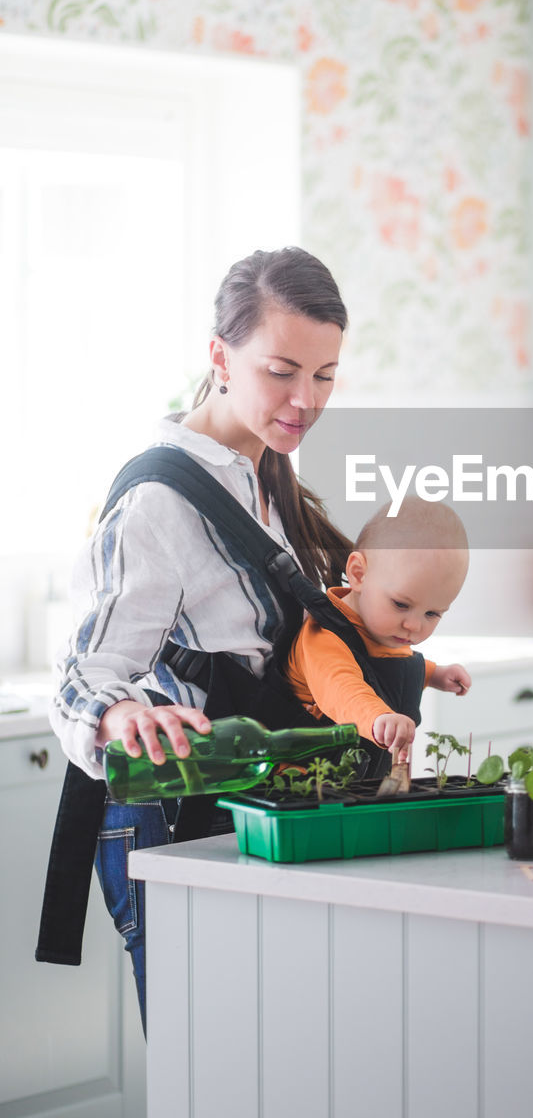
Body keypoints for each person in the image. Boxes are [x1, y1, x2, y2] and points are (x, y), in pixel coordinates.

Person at [46, 247, 351, 1031]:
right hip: (173, 808)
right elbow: (84, 677)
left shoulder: (262, 467)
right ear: (219, 355)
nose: (304, 399)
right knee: (210, 1059)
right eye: (282, 370)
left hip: (250, 799)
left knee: (273, 1054)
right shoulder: (159, 501)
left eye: (323, 375)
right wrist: (116, 717)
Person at [287, 496, 472, 761]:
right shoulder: (324, 637)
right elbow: (343, 690)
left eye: (432, 613)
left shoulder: (385, 631)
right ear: (359, 574)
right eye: (400, 604)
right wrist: (378, 717)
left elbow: (389, 667)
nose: (413, 625)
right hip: (305, 779)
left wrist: (434, 675)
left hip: (356, 778)